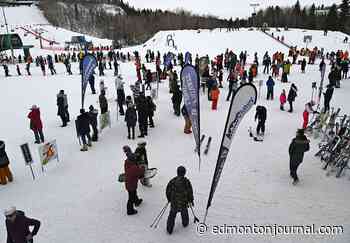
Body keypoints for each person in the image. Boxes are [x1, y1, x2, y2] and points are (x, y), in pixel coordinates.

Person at [166, 166, 194, 234]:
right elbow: (190, 192)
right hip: (183, 203)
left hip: (174, 203)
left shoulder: (172, 181)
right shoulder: (186, 182)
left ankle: (169, 229)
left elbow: (168, 191)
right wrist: (191, 200)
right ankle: (185, 223)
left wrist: (169, 199)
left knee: (172, 216)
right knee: (184, 213)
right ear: (184, 173)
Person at [123, 146, 144, 215]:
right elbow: (140, 172)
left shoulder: (127, 162)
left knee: (133, 193)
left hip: (129, 183)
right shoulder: (134, 168)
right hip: (131, 184)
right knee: (131, 197)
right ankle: (130, 210)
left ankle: (137, 201)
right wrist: (142, 168)